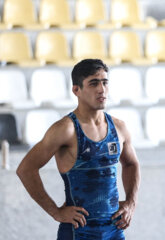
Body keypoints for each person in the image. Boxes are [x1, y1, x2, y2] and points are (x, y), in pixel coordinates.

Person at [17, 59, 140, 240]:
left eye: (105, 82)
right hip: (78, 232)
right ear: (76, 90)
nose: (102, 89)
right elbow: (25, 169)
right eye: (93, 83)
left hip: (114, 230)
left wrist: (131, 202)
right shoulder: (65, 130)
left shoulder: (119, 128)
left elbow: (131, 163)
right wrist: (56, 212)